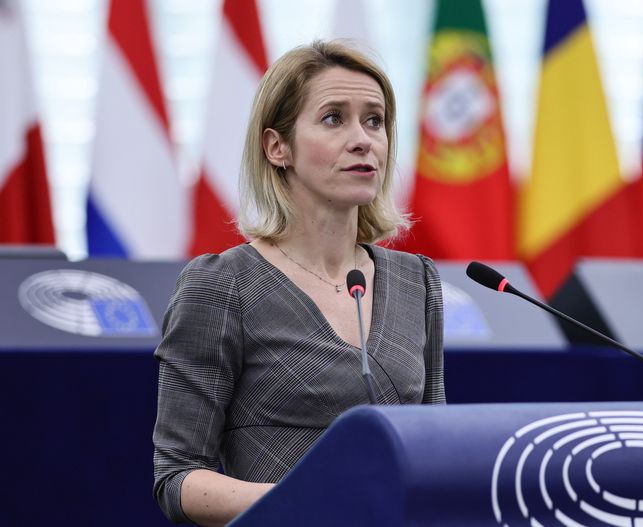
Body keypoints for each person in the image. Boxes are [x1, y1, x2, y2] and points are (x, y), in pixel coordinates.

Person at [152, 40, 445, 526]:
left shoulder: (417, 280)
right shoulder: (222, 285)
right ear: (277, 147)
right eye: (334, 118)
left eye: (374, 121)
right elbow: (177, 477)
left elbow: (436, 446)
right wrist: (308, 499)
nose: (363, 140)